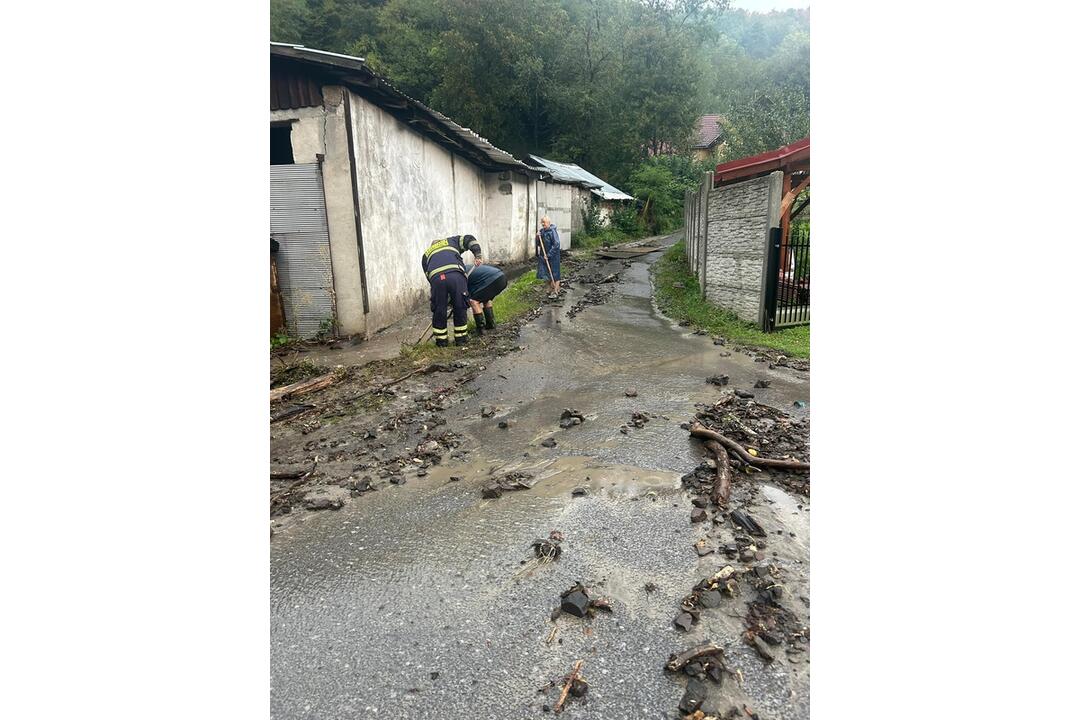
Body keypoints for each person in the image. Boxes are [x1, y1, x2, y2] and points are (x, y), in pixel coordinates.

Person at [421, 234, 482, 347]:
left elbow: (429, 277)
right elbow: (470, 239)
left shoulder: (425, 255)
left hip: (437, 280)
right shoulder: (451, 242)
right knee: (460, 306)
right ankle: (461, 339)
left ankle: (441, 343)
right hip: (456, 276)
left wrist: (442, 295)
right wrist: (477, 255)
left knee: (439, 309)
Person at [466, 263, 507, 336]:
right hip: (502, 277)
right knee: (486, 299)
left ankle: (481, 330)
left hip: (492, 279)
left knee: (473, 301)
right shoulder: (467, 267)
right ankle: (491, 324)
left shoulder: (460, 273)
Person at [535, 216, 561, 296]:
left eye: (544, 222)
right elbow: (538, 244)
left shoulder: (552, 231)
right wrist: (537, 237)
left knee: (555, 273)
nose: (542, 224)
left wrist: (549, 255)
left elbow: (557, 244)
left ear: (549, 223)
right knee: (546, 272)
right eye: (542, 222)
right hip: (544, 255)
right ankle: (550, 288)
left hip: (553, 256)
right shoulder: (542, 232)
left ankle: (556, 290)